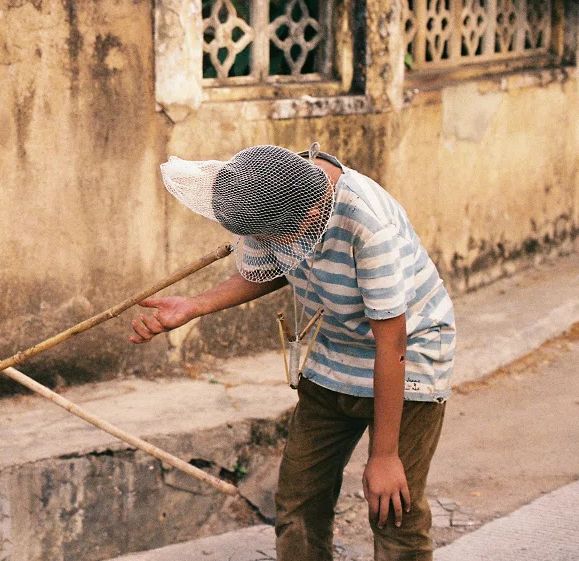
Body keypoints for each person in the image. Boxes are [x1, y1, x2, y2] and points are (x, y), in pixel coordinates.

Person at [130, 144, 455, 560]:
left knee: (393, 509)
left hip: (408, 361)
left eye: (268, 237)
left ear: (307, 217)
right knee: (299, 501)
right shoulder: (275, 191)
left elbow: (392, 342)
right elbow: (271, 268)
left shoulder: (369, 227)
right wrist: (194, 306)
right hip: (333, 353)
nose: (264, 244)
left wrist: (385, 455)